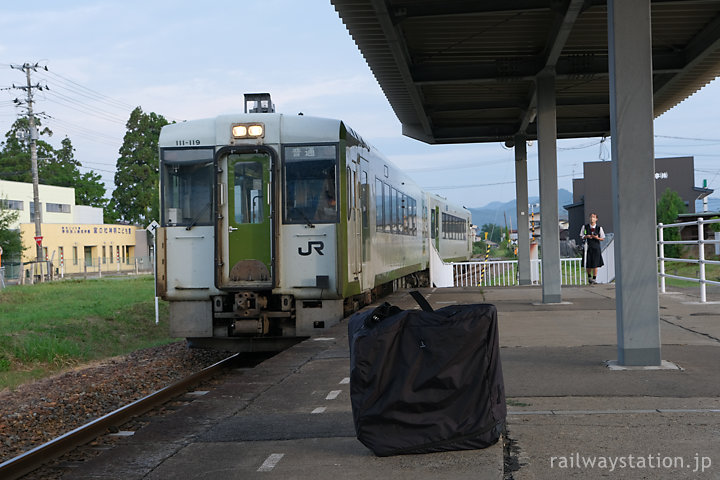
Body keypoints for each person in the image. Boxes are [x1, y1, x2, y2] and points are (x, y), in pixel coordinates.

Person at [580, 213, 605, 284]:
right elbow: (581, 236)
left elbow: (602, 238)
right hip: (587, 247)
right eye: (591, 217)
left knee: (595, 263)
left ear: (596, 219)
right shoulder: (585, 227)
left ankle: (594, 279)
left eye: (593, 217)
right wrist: (586, 236)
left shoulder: (599, 228)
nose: (592, 218)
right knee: (588, 263)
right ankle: (589, 277)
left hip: (596, 247)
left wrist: (597, 238)